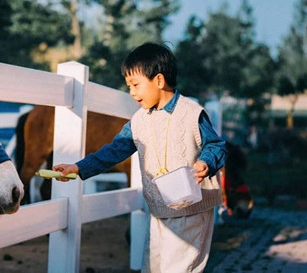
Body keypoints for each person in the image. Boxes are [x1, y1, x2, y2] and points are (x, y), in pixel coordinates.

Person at [53, 42, 227, 272]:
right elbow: (113, 151)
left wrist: (206, 162)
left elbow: (216, 145)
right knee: (153, 268)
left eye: (136, 85)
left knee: (179, 268)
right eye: (129, 86)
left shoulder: (192, 113)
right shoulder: (138, 121)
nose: (132, 92)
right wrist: (78, 167)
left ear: (159, 80)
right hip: (159, 213)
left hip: (192, 211)